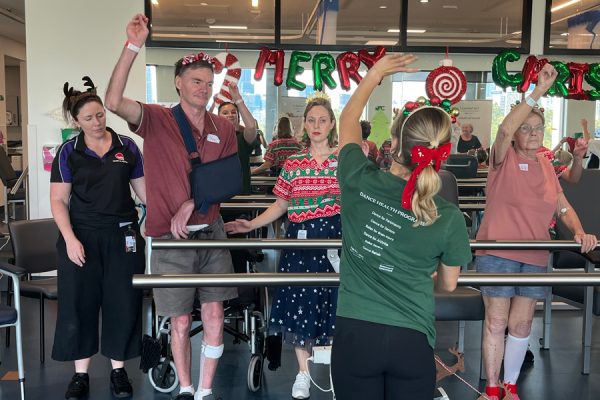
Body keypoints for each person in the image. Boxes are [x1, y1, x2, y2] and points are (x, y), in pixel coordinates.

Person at [105, 14, 237, 400]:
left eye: (209, 84)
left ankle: (206, 390)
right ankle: (185, 386)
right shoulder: (158, 119)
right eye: (197, 81)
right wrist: (132, 45)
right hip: (170, 240)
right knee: (179, 320)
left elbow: (226, 180)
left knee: (214, 314)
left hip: (211, 234)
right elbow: (113, 101)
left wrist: (192, 202)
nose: (204, 89)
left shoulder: (222, 127)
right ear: (178, 82)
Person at [331, 54, 472, 400]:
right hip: (411, 340)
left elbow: (347, 120)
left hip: (355, 335)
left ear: (394, 144)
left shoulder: (357, 180)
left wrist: (376, 73)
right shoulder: (449, 216)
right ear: (442, 154)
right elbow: (450, 284)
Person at [475, 63, 597, 400]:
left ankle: (510, 386)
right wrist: (538, 91)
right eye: (525, 128)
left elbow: (562, 202)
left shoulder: (544, 163)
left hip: (534, 254)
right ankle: (492, 387)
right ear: (514, 133)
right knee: (496, 323)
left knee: (522, 326)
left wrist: (579, 230)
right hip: (498, 252)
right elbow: (504, 129)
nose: (531, 133)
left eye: (537, 128)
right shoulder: (502, 158)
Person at [225, 94, 341, 400]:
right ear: (304, 124)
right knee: (299, 303)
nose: (316, 125)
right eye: (312, 120)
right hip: (299, 239)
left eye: (323, 120)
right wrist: (253, 224)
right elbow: (281, 204)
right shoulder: (293, 162)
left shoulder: (342, 160)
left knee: (335, 303)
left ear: (331, 125)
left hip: (334, 238)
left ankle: (336, 372)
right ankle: (303, 373)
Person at [50, 77, 146, 400]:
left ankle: (118, 371)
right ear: (76, 121)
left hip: (122, 237)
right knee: (80, 305)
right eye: (88, 118)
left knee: (122, 302)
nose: (96, 122)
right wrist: (70, 239)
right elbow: (58, 201)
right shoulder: (68, 152)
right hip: (81, 238)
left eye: (101, 115)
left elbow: (145, 194)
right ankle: (81, 376)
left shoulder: (127, 147)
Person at [216, 85, 257, 195]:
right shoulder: (212, 138)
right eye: (225, 113)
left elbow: (252, 126)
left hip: (241, 195)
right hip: (218, 195)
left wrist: (238, 99)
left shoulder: (243, 138)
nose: (230, 115)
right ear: (218, 117)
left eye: (234, 112)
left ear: (239, 117)